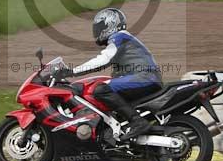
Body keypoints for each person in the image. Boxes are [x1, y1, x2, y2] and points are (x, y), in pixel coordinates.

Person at [57, 8, 161, 141]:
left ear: (111, 25)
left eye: (100, 27)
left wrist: (72, 71)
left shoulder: (119, 37)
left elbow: (103, 60)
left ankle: (137, 121)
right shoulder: (124, 39)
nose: (97, 31)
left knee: (100, 89)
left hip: (144, 78)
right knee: (108, 92)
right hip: (144, 78)